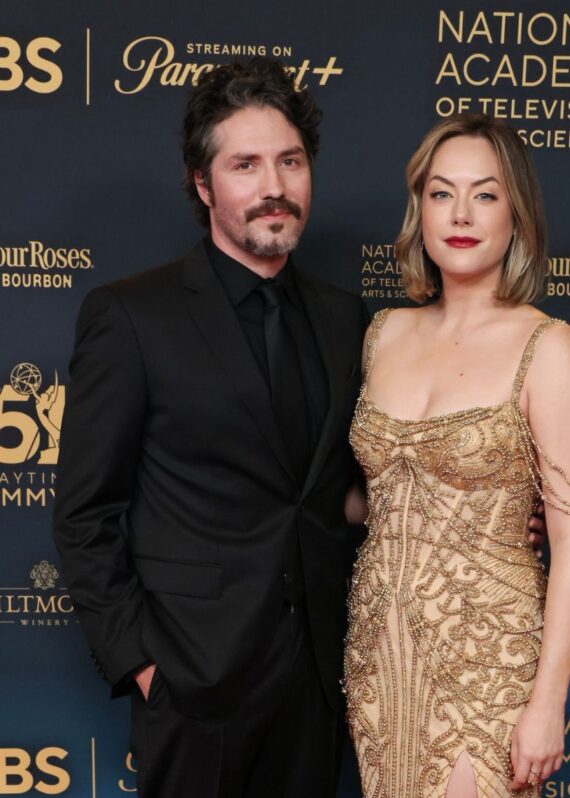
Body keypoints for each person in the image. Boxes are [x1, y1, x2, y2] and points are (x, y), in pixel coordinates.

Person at [52, 57, 366, 797]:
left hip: (320, 686)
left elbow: (357, 490)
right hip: (194, 687)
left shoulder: (347, 320)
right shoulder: (132, 317)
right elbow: (84, 514)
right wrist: (143, 663)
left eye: (290, 161)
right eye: (245, 164)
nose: (273, 188)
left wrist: (492, 513)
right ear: (204, 185)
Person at [343, 113, 570, 798]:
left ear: (516, 214)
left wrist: (548, 703)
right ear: (419, 210)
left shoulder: (548, 347)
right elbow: (371, 495)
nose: (461, 213)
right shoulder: (383, 334)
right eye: (441, 193)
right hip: (378, 653)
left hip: (488, 660)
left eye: (485, 194)